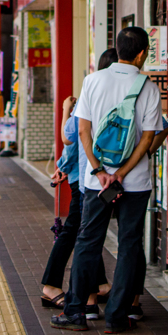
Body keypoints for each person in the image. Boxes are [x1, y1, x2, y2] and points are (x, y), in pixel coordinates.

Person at [52, 27, 161, 334]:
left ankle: (75, 312)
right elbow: (149, 137)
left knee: (88, 241)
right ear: (141, 54)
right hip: (136, 182)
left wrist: (100, 170)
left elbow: (83, 130)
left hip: (94, 182)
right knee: (128, 245)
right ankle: (117, 316)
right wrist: (123, 173)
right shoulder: (148, 87)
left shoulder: (93, 80)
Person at [39, 49, 117, 318]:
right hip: (92, 181)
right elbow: (73, 140)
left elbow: (70, 136)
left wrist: (64, 110)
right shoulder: (119, 94)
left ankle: (94, 290)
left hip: (86, 180)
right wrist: (63, 166)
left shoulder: (92, 91)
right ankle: (62, 290)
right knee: (80, 233)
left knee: (82, 233)